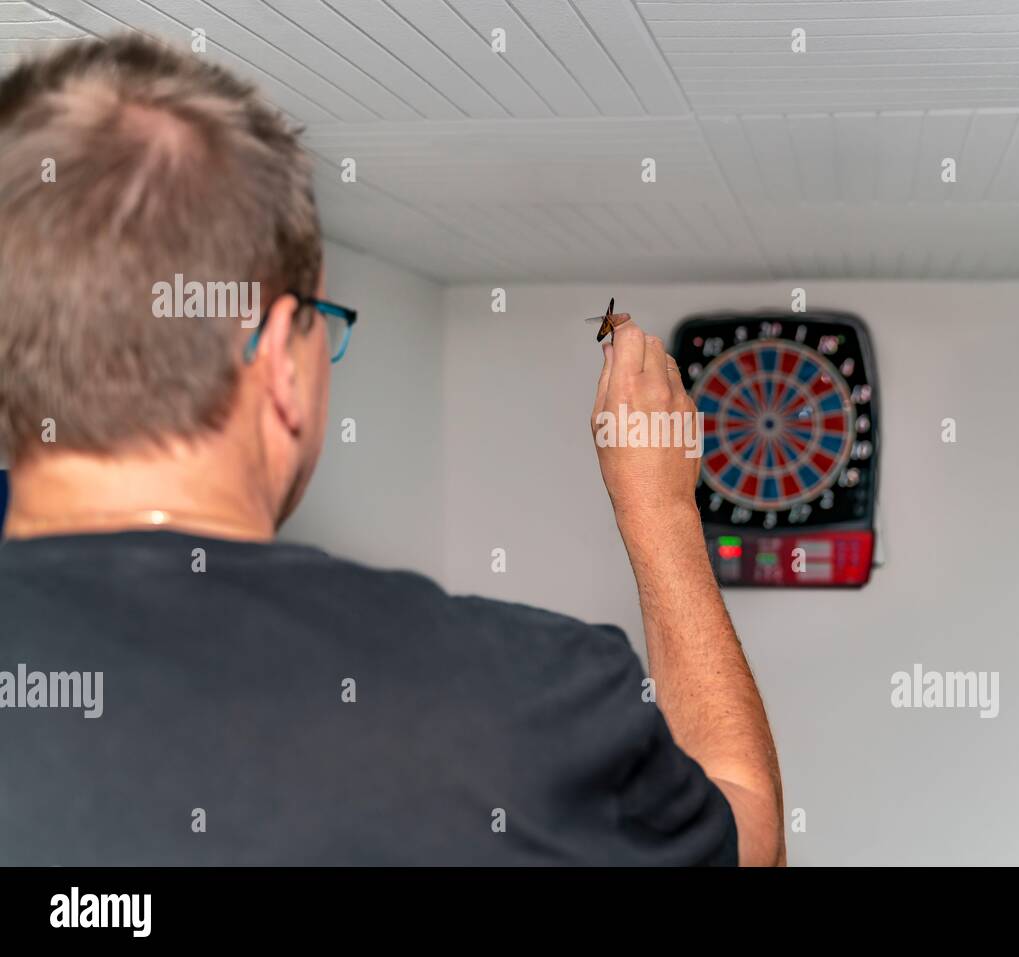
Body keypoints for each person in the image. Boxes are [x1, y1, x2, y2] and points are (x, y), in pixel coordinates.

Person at [0, 35, 783, 865]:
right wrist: (660, 508)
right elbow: (750, 830)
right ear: (278, 364)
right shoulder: (517, 696)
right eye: (318, 327)